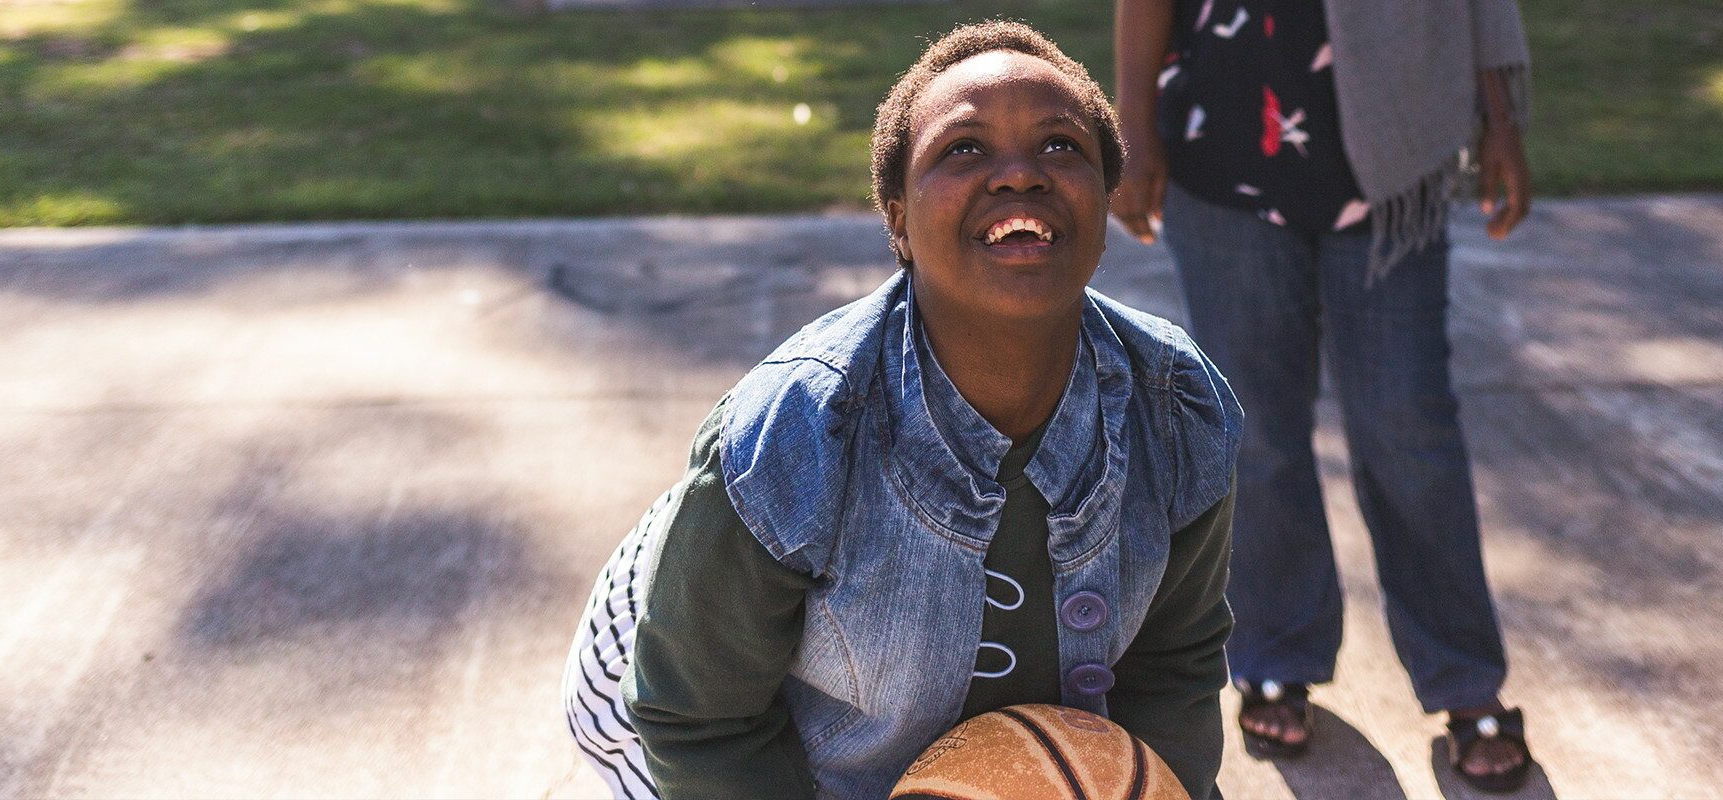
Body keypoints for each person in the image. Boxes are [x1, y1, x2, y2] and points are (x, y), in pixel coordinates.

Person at [562, 21, 1244, 800]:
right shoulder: (794, 431)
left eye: (1061, 146)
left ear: (1105, 193)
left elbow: (1173, 665)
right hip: (672, 695)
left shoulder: (1178, 406)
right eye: (963, 148)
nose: (1019, 174)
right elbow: (696, 717)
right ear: (896, 218)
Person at [1110, 0, 1537, 792]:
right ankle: (1276, 656)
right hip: (1224, 142)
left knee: (1409, 427)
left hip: (1390, 163)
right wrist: (1132, 126)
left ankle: (1466, 683)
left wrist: (1500, 119)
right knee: (1257, 432)